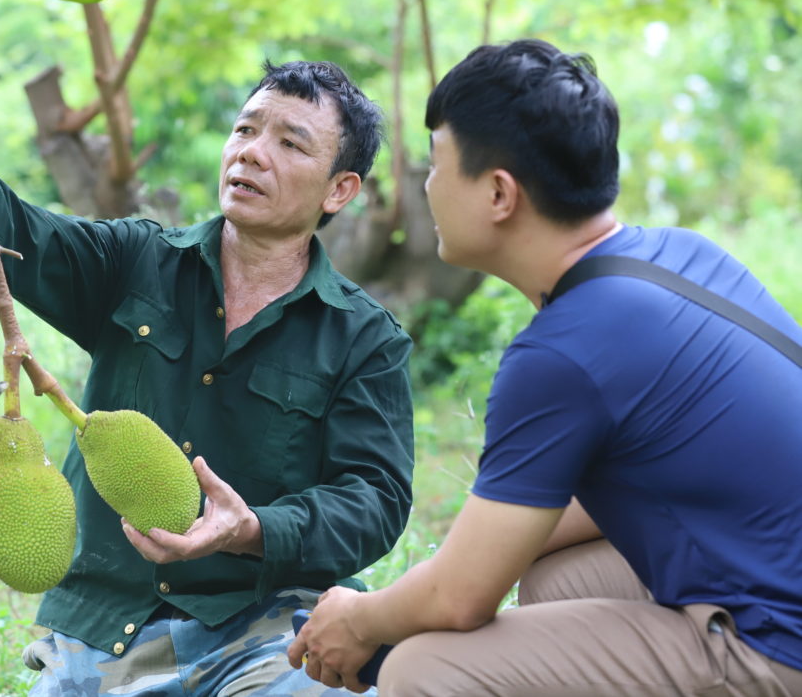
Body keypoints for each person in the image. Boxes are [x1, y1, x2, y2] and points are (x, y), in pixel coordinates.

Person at [0, 60, 415, 697]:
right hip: (106, 630)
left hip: (267, 627)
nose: (252, 154)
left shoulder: (365, 338)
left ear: (339, 190)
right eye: (246, 129)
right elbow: (26, 239)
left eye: (289, 143)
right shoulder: (137, 260)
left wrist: (253, 530)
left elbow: (376, 500)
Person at [288, 38, 802, 697]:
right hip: (772, 567)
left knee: (424, 670)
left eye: (437, 164)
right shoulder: (682, 254)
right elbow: (626, 493)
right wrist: (441, 581)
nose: (426, 184)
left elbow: (461, 600)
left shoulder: (563, 352)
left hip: (778, 643)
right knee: (556, 577)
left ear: (499, 194)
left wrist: (361, 617)